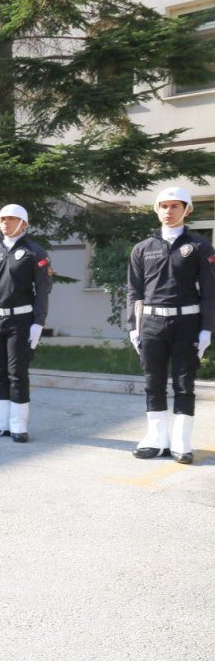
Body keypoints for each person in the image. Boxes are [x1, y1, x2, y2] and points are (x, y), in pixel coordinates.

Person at [127, 186, 215, 464]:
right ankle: (156, 438)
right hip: (151, 323)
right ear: (157, 210)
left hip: (186, 323)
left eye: (175, 206)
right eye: (163, 206)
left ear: (187, 210)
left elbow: (211, 292)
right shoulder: (143, 248)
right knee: (153, 383)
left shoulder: (200, 246)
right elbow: (134, 291)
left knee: (183, 383)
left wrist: (206, 329)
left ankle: (180, 441)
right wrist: (133, 326)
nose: (168, 211)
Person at [0, 204, 53, 443]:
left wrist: (38, 323)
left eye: (12, 219)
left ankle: (18, 423)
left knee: (17, 373)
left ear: (24, 224)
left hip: (20, 320)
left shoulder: (35, 252)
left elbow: (43, 291)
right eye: (2, 219)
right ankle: (0, 420)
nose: (5, 223)